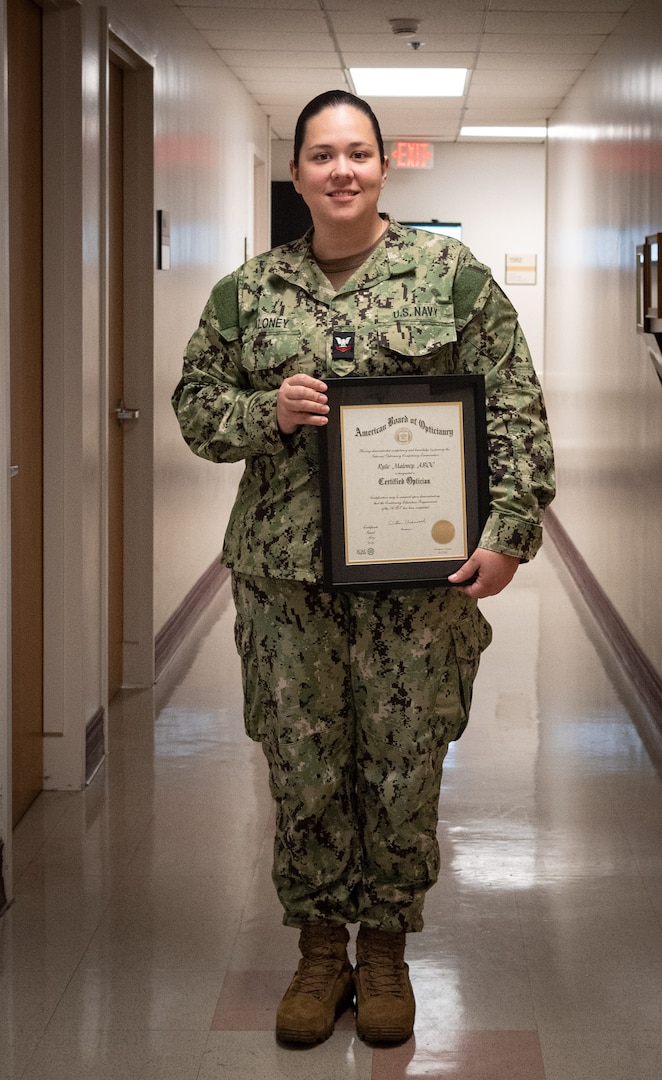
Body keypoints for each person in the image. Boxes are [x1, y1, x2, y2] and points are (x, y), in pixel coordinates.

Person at [172, 89, 554, 1047]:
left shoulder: (450, 277)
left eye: (358, 153)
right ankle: (315, 948)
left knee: (401, 768)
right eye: (320, 155)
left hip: (414, 591)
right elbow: (192, 404)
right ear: (297, 170)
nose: (340, 170)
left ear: (386, 166)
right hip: (285, 583)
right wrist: (267, 412)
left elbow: (515, 408)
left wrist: (508, 534)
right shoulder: (247, 293)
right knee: (301, 768)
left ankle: (384, 948)